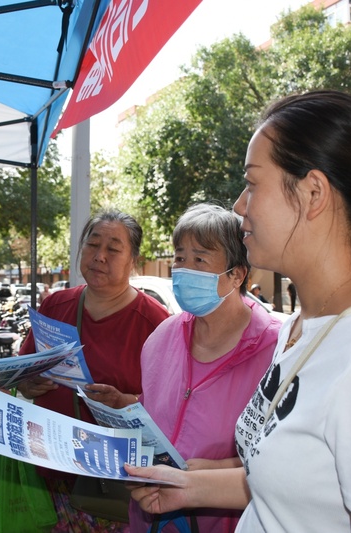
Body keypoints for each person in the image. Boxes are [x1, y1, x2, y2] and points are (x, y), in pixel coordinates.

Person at [125, 90, 351, 533]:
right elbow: (290, 481)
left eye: (253, 183)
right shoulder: (303, 327)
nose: (240, 206)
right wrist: (187, 487)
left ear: (313, 192)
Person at [17, 208, 170, 533]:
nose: (99, 256)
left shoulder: (155, 323)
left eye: (113, 249)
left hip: (116, 481)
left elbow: (172, 406)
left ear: (133, 261)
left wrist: (126, 401)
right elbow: (24, 371)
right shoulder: (55, 306)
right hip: (52, 475)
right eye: (92, 244)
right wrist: (28, 384)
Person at [132, 203, 280, 533]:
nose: (183, 269)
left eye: (199, 259)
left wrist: (217, 469)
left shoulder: (275, 349)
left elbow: (290, 459)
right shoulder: (161, 338)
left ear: (236, 274)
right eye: (179, 257)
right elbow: (148, 417)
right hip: (150, 520)